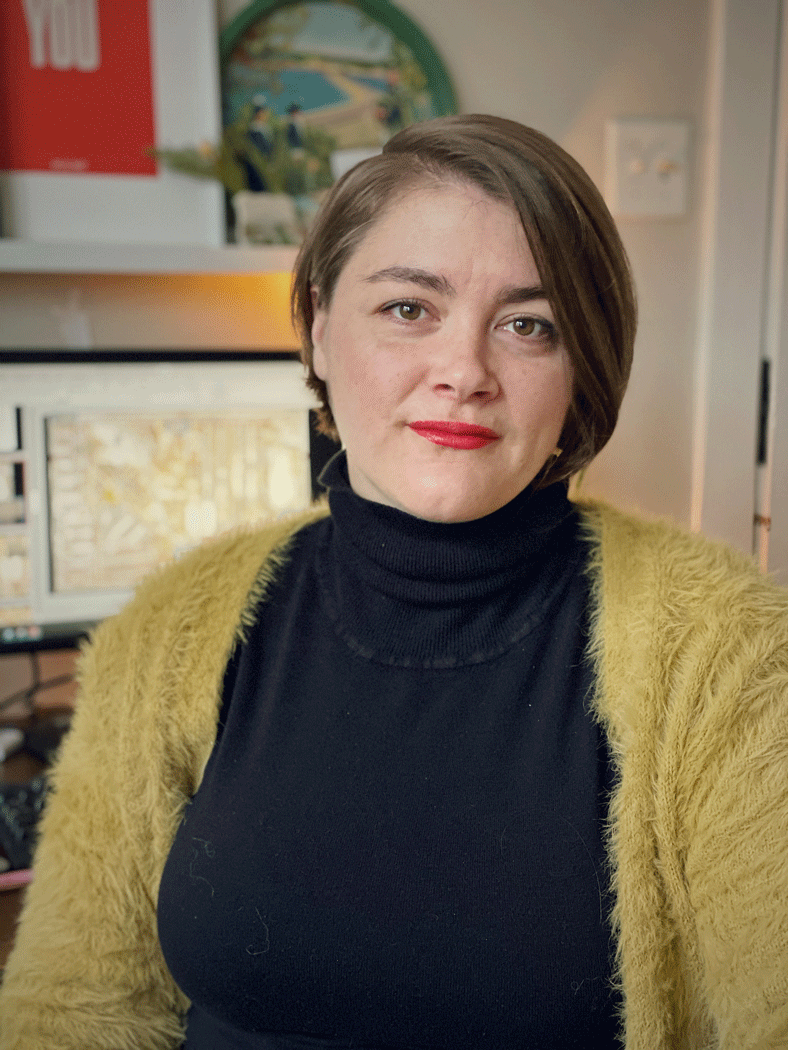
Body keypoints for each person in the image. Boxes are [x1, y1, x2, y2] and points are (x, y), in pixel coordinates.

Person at [1, 114, 787, 1049]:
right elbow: (72, 1008)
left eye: (528, 325)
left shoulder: (729, 653)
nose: (464, 373)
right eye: (409, 309)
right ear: (318, 327)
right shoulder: (168, 629)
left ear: (584, 367)